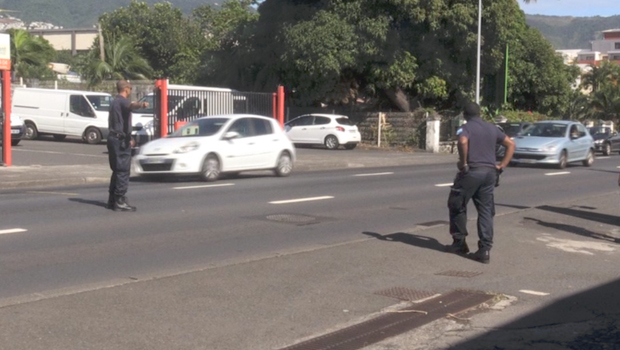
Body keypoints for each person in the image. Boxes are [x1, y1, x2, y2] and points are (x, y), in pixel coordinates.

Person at [445, 102, 515, 264]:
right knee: (485, 210)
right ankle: (484, 250)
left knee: (457, 204)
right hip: (490, 173)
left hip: (472, 171)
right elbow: (511, 144)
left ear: (464, 114)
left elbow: (462, 141)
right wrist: (501, 165)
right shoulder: (492, 128)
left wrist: (463, 163)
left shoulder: (466, 127)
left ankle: (459, 242)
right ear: (480, 113)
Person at [106, 80, 148, 212]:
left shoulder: (114, 102)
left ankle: (112, 199)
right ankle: (120, 200)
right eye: (130, 89)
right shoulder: (123, 101)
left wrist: (129, 137)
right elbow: (131, 105)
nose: (130, 91)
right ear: (126, 89)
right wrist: (141, 104)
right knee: (123, 171)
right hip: (120, 141)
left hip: (113, 138)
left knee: (116, 170)